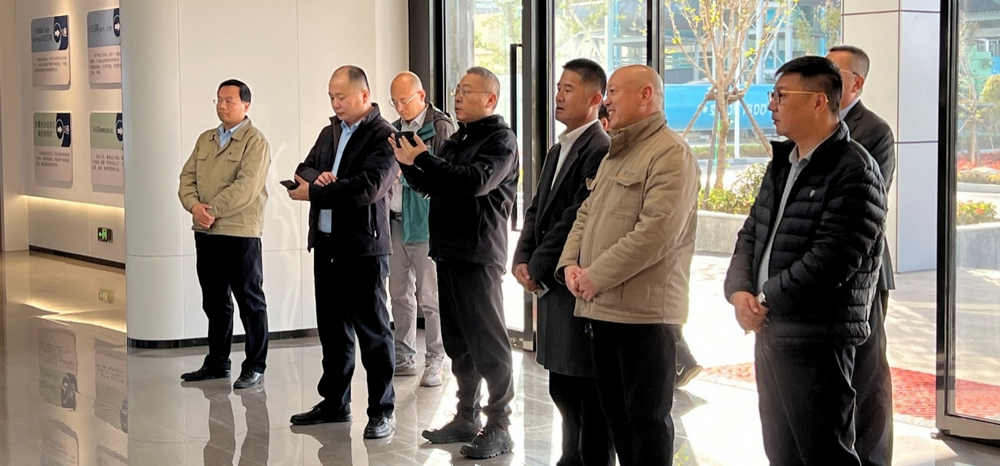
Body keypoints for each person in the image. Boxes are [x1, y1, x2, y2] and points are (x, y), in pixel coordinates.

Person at [723, 56, 887, 465]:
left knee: (824, 453)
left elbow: (832, 259)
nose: (771, 105)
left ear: (818, 101)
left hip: (818, 338)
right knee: (781, 452)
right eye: (772, 95)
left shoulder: (855, 169)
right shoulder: (784, 162)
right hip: (773, 332)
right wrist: (739, 291)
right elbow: (751, 233)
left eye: (781, 95)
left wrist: (766, 298)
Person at [556, 64, 700, 465]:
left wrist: (596, 276)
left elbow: (656, 232)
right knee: (615, 419)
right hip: (602, 310)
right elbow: (586, 214)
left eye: (615, 91)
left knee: (646, 423)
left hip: (645, 317)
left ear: (645, 95)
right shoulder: (616, 152)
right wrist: (570, 264)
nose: (607, 100)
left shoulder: (671, 154)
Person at [391, 66, 518, 460]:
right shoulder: (459, 138)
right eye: (457, 90)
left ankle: (499, 425)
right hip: (447, 251)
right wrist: (409, 164)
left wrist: (425, 159)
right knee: (460, 344)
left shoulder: (501, 140)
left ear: (490, 99)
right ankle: (466, 415)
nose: (458, 97)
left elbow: (475, 182)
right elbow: (433, 185)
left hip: (478, 255)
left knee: (489, 345)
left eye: (467, 91)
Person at [512, 58, 614, 466]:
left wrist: (538, 265)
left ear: (594, 99)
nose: (558, 95)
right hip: (551, 282)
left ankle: (586, 459)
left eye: (568, 89)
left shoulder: (599, 148)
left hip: (574, 281)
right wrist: (522, 255)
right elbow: (537, 206)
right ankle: (569, 456)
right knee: (562, 385)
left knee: (585, 389)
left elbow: (575, 216)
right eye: (558, 87)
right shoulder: (560, 147)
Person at [286, 65, 397, 440]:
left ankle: (381, 410)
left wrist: (318, 190)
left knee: (374, 333)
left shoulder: (384, 137)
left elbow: (368, 187)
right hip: (326, 245)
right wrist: (316, 178)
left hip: (363, 249)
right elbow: (304, 168)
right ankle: (335, 402)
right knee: (333, 332)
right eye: (331, 97)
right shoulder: (330, 132)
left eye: (342, 97)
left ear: (364, 95)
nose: (335, 103)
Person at [827, 44, 896, 466]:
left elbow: (864, 203)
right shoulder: (815, 125)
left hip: (863, 271)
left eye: (833, 72)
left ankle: (872, 458)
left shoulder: (874, 130)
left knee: (868, 373)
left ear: (856, 83)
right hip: (825, 273)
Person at [178, 79, 270, 390]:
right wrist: (194, 206)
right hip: (206, 232)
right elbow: (186, 178)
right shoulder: (206, 139)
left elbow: (246, 187)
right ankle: (217, 362)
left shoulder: (255, 142)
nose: (222, 105)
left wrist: (211, 209)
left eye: (229, 100)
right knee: (215, 302)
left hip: (239, 233)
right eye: (219, 99)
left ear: (246, 105)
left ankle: (255, 366)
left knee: (250, 301)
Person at [385, 71, 456, 387]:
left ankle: (436, 361)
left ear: (422, 96)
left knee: (431, 297)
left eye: (405, 100)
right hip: (395, 222)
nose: (400, 108)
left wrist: (412, 170)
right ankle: (403, 357)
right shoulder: (393, 129)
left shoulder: (440, 127)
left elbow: (446, 175)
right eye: (395, 102)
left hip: (426, 224)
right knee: (399, 294)